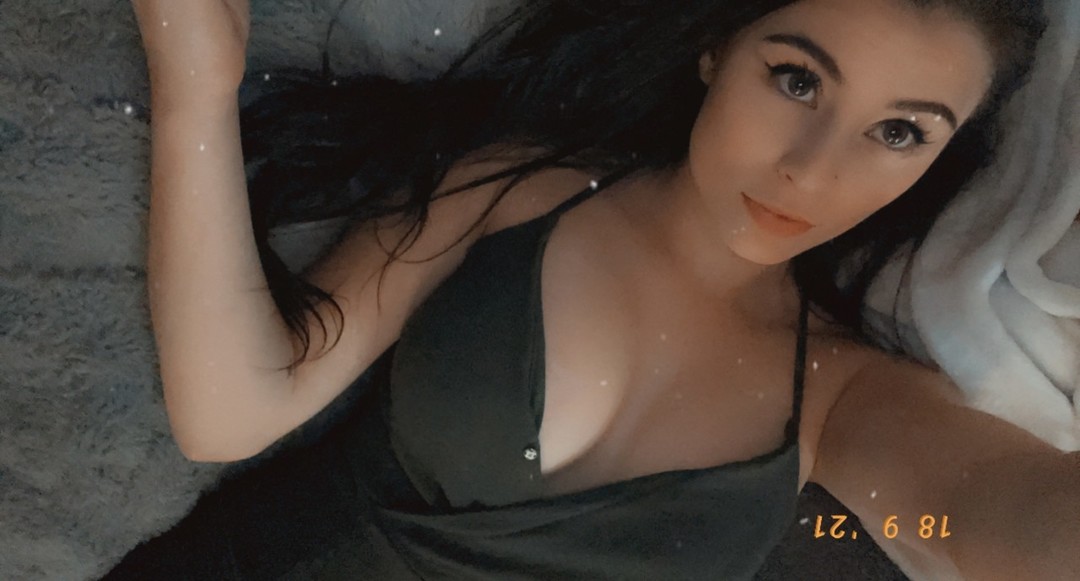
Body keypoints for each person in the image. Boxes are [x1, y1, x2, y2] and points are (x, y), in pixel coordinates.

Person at [104, 0, 1077, 579]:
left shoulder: (840, 392)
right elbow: (232, 409)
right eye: (795, 80)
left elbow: (989, 514)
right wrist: (196, 81)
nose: (813, 169)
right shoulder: (523, 192)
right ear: (717, 47)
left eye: (900, 132)